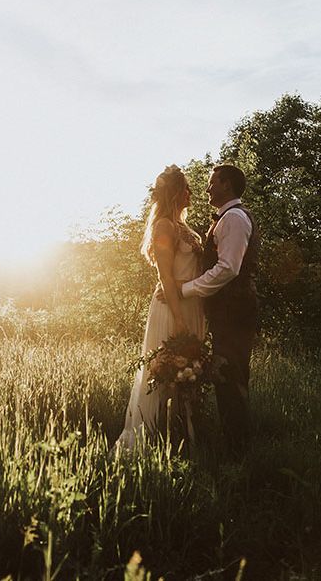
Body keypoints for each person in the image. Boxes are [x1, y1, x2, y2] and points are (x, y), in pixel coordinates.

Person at [159, 164, 260, 457]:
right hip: (228, 311)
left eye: (212, 182)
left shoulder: (235, 219)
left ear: (226, 185)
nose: (207, 188)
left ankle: (238, 452)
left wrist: (185, 289)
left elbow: (227, 269)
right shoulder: (226, 219)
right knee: (226, 377)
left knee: (231, 377)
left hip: (235, 310)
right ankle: (234, 445)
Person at [116, 165, 206, 449]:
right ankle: (152, 440)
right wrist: (178, 317)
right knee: (167, 371)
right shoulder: (164, 226)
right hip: (172, 307)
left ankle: (181, 436)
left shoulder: (184, 228)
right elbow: (165, 275)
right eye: (187, 188)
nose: (191, 193)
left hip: (192, 305)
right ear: (178, 193)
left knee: (188, 374)